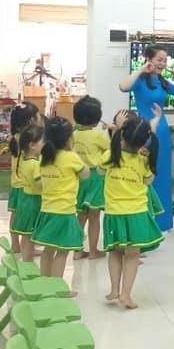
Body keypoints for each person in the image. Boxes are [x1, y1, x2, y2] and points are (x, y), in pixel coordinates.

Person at [119, 45, 174, 232]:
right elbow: (123, 86)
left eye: (165, 60)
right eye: (159, 59)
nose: (163, 63)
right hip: (142, 131)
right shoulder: (140, 81)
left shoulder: (163, 83)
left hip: (162, 131)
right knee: (144, 174)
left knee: (161, 175)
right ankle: (144, 221)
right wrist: (142, 69)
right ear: (149, 59)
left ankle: (162, 223)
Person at [101, 114, 163, 309]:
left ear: (122, 135)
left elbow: (100, 171)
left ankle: (114, 290)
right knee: (132, 255)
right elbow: (149, 180)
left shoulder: (110, 156)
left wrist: (116, 136)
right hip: (137, 214)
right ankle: (126, 295)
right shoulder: (143, 161)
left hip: (113, 213)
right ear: (143, 142)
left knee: (115, 251)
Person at [32, 117, 89, 283]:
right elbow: (86, 174)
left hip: (46, 210)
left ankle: (44, 282)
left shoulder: (44, 157)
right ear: (69, 138)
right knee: (62, 251)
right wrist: (74, 152)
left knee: (48, 250)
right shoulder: (71, 157)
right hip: (64, 212)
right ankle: (57, 288)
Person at [72, 95, 109, 260]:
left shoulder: (73, 134)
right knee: (94, 216)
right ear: (96, 119)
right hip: (95, 177)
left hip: (78, 177)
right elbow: (111, 149)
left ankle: (77, 250)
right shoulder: (98, 135)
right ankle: (93, 251)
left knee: (80, 215)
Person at [8, 102, 40, 254]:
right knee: (27, 218)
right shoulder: (28, 140)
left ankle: (15, 245)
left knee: (15, 214)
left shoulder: (16, 137)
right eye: (37, 116)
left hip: (16, 183)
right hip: (24, 184)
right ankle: (28, 247)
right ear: (31, 120)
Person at [10, 123, 45, 262]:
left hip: (25, 199)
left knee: (26, 235)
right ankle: (28, 262)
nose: (45, 144)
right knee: (30, 235)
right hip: (33, 202)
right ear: (32, 145)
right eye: (43, 141)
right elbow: (39, 183)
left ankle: (26, 260)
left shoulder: (25, 161)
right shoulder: (35, 164)